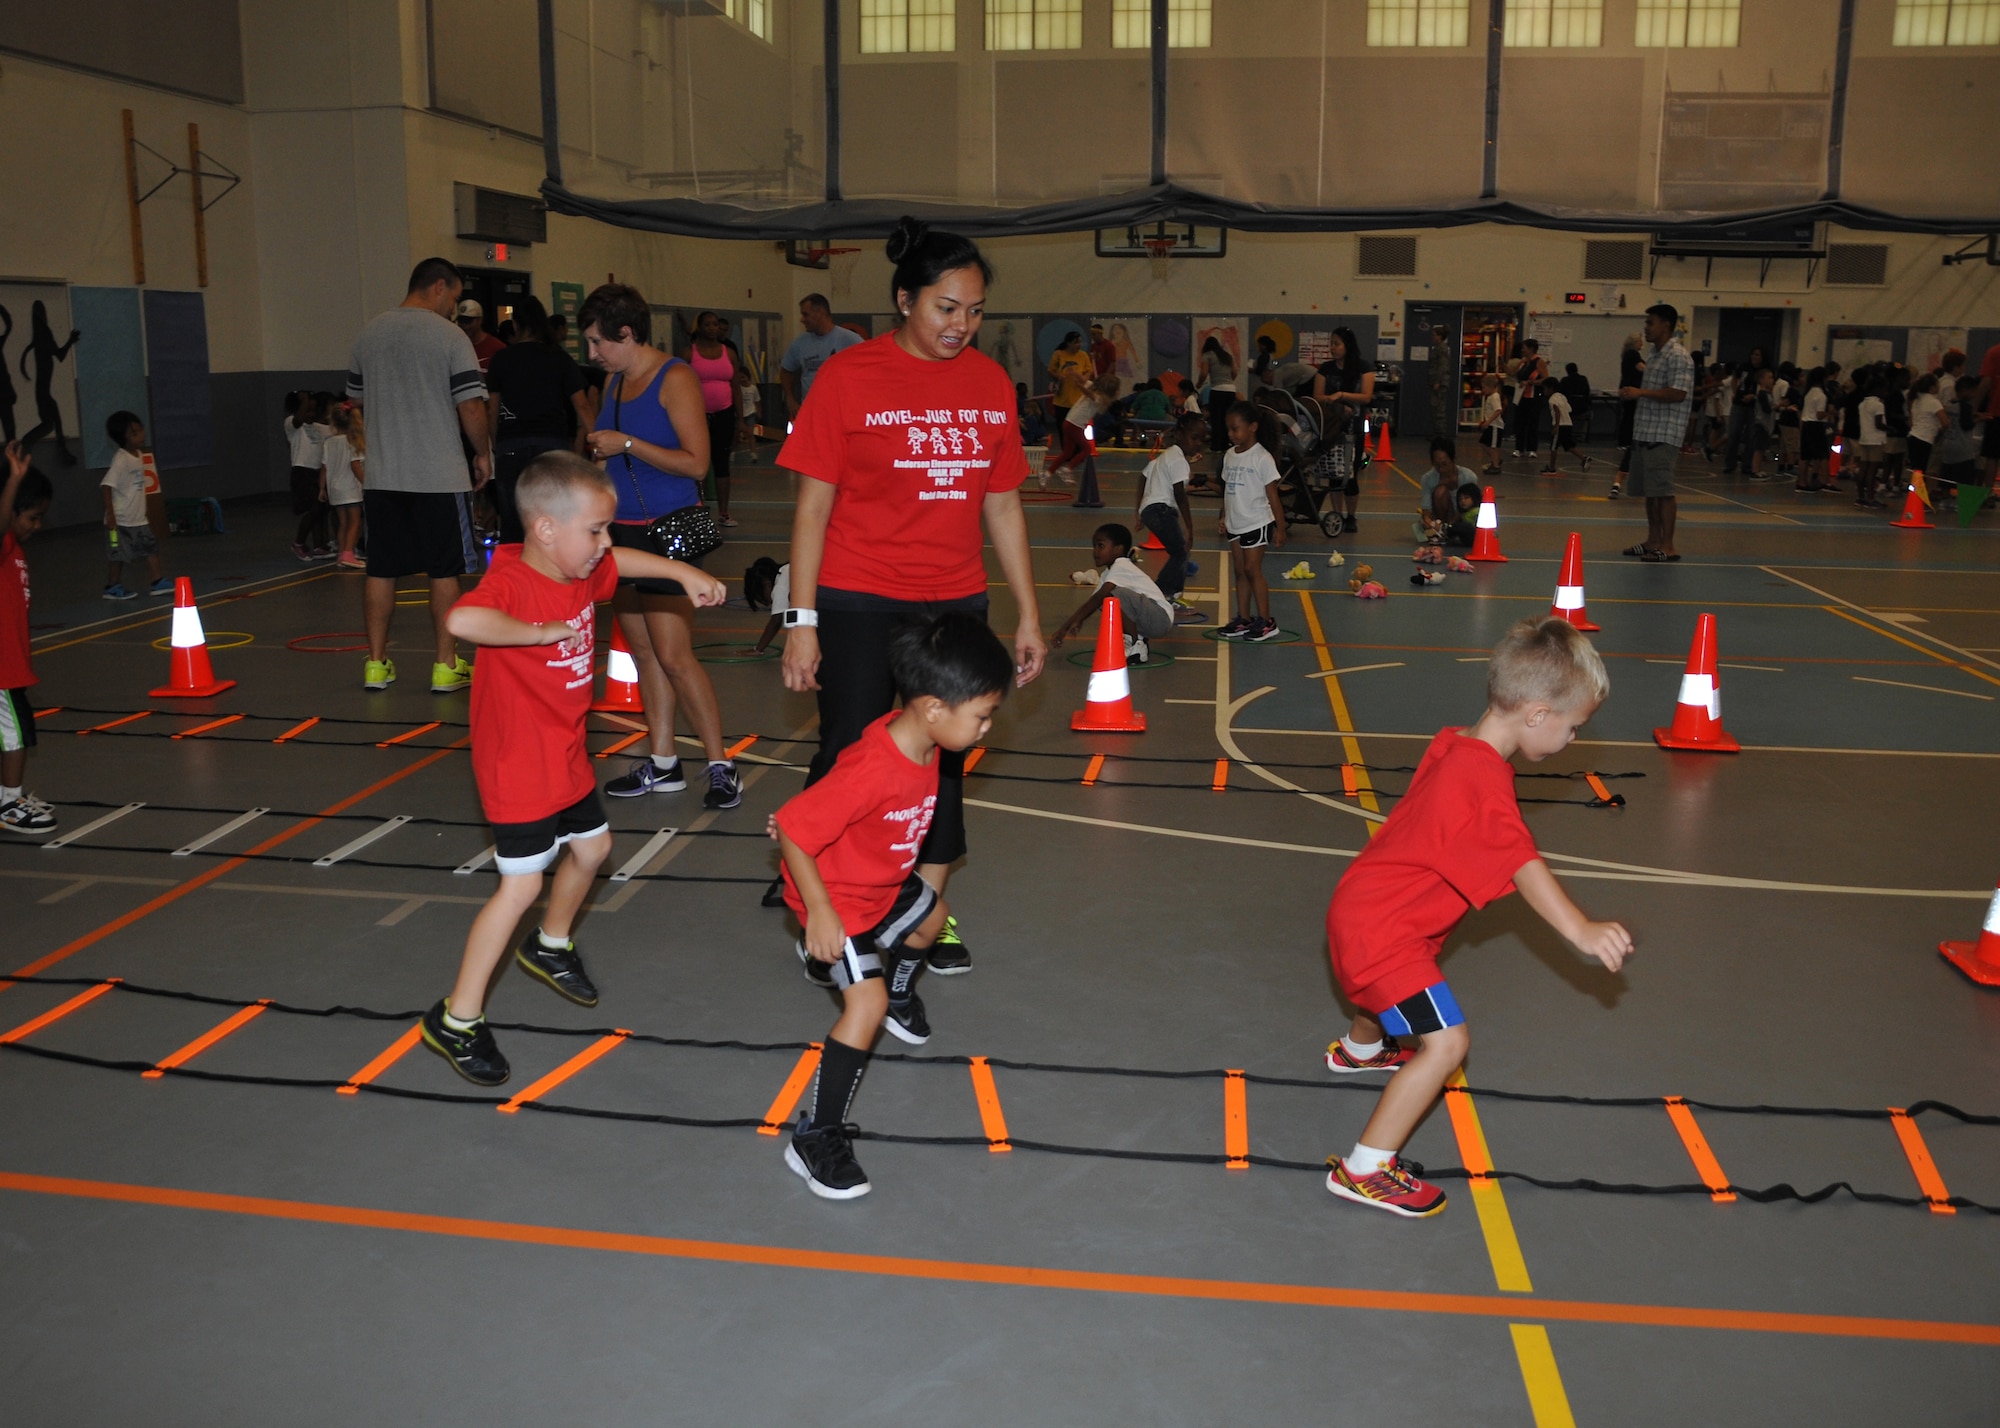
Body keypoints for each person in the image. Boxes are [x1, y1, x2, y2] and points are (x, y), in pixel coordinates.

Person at [774, 217, 1046, 973]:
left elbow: (1003, 504)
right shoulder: (849, 377)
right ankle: (821, 899)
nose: (962, 325)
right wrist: (802, 620)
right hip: (858, 596)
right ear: (904, 300)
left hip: (954, 603)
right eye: (945, 307)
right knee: (849, 750)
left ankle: (926, 910)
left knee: (943, 763)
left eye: (975, 310)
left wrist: (1026, 612)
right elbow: (812, 509)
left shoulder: (989, 384)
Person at [420, 452, 725, 1086]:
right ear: (545, 529)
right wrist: (534, 634)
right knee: (521, 887)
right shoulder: (511, 581)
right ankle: (456, 1019)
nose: (605, 544)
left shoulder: (581, 566)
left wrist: (680, 572)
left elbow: (623, 565)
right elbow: (461, 618)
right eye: (595, 531)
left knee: (594, 848)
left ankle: (550, 944)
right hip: (517, 766)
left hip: (563, 753)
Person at [1322, 617, 1632, 1217]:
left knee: (1383, 991)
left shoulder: (1456, 743)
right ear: (1537, 714)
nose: (1571, 741)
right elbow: (1521, 860)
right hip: (1384, 935)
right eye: (1573, 729)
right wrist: (1580, 929)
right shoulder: (1483, 779)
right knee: (1447, 1043)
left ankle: (1357, 1052)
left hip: (1361, 907)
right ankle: (1364, 1169)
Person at [775, 611, 1013, 1200]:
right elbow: (795, 831)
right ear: (934, 708)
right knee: (865, 1003)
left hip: (880, 881)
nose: (986, 728)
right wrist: (822, 914)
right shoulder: (875, 767)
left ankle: (899, 991)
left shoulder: (925, 740)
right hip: (841, 898)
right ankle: (815, 1136)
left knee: (933, 916)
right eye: (982, 715)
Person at [576, 284, 740, 811]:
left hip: (667, 531)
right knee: (643, 651)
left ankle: (721, 766)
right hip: (620, 533)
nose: (593, 354)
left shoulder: (676, 378)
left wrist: (628, 445)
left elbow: (696, 463)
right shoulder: (614, 381)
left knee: (675, 656)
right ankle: (664, 762)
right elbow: (604, 456)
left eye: (599, 342)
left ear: (627, 335)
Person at [346, 257, 490, 693]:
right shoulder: (450, 337)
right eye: (456, 297)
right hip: (439, 476)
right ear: (439, 287)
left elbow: (354, 405)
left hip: (384, 476)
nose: (455, 307)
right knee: (444, 571)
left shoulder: (368, 333)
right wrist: (482, 453)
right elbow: (470, 406)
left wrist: (368, 455)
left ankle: (376, 664)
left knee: (381, 571)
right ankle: (446, 666)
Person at [485, 294, 590, 546]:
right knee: (554, 518)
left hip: (511, 446)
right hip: (552, 444)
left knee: (513, 521)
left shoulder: (502, 359)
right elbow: (582, 404)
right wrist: (596, 442)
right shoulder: (559, 358)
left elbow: (492, 409)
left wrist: (493, 446)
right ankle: (552, 579)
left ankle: (514, 580)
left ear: (516, 325)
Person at [0, 444, 56, 835]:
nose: (37, 525)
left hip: (12, 666)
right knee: (15, 735)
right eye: (32, 517)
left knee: (16, 732)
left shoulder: (13, 550)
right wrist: (15, 480)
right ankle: (8, 802)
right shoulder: (3, 544)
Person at [1618, 304, 1693, 562]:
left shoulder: (1678, 356)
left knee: (1663, 491)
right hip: (1645, 432)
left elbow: (1678, 393)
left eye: (1651, 323)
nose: (1646, 328)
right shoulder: (1654, 354)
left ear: (1666, 325)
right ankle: (1653, 540)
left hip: (1664, 434)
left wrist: (1641, 393)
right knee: (1650, 491)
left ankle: (1668, 545)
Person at [1051, 523, 1175, 665]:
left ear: (1118, 549)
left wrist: (1070, 625)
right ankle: (1139, 642)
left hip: (1160, 618)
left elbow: (1099, 597)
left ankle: (1133, 645)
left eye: (1101, 546)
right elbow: (1093, 601)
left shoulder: (1122, 565)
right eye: (1094, 546)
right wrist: (1067, 627)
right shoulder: (1108, 574)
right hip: (1151, 620)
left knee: (1114, 595)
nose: (1095, 551)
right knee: (1106, 603)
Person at [1215, 401, 1285, 642]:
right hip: (1236, 522)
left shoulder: (1262, 458)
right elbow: (1227, 490)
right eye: (1229, 429)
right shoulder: (1229, 456)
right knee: (1239, 571)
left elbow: (1272, 495)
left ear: (1253, 427)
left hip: (1257, 521)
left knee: (1251, 570)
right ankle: (1244, 619)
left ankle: (1266, 621)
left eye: (1236, 429)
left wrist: (1280, 527)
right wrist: (1224, 516)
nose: (1231, 434)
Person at [686, 310, 745, 528]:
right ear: (699, 328)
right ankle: (698, 511)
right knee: (698, 464)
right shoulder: (688, 354)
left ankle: (724, 512)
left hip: (725, 413)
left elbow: (736, 388)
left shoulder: (728, 353)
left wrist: (740, 419)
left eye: (715, 325)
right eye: (708, 325)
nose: (713, 328)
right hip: (697, 415)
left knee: (721, 464)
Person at [1312, 327, 1374, 532]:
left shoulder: (1363, 368)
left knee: (1351, 472)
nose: (1333, 347)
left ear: (1348, 345)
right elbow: (1318, 396)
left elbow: (1366, 396)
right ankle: (1336, 513)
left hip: (1354, 428)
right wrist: (1335, 403)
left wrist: (1341, 395)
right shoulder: (1326, 369)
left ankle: (1351, 516)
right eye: (1331, 343)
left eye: (1337, 343)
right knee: (1334, 472)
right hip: (1331, 427)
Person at [100, 411, 167, 600]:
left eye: (140, 429)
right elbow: (106, 486)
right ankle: (112, 586)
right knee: (117, 554)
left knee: (150, 547)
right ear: (124, 438)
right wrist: (111, 515)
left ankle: (157, 581)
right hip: (120, 521)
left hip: (139, 519)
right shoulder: (121, 459)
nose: (141, 434)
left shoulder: (138, 455)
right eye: (134, 432)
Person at [1137, 412, 1201, 606]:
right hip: (1161, 510)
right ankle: (1160, 591)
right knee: (1181, 552)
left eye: (1202, 439)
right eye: (1194, 437)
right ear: (1180, 435)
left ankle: (1174, 594)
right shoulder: (1179, 459)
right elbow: (1180, 494)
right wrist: (1190, 527)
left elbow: (1143, 476)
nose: (1198, 443)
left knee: (1180, 552)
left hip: (1149, 510)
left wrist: (1138, 512)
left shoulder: (1168, 455)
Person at [780, 294, 862, 418]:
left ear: (820, 312)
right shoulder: (799, 343)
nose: (802, 319)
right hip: (811, 412)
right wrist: (790, 400)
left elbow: (870, 370)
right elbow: (785, 371)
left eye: (806, 314)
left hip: (842, 412)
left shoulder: (850, 340)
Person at [284, 391, 332, 561]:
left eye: (313, 410)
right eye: (307, 410)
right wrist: (304, 399)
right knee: (313, 509)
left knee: (321, 509)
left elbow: (337, 428)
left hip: (317, 473)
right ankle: (298, 543)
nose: (310, 414)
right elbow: (299, 417)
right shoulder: (292, 424)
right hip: (302, 471)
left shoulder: (317, 428)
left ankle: (319, 546)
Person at [1046, 374, 1116, 487]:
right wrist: (1077, 380)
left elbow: (1086, 385)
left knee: (1067, 452)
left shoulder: (1095, 392)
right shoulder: (1098, 397)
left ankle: (1048, 473)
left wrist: (1075, 376)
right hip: (1075, 424)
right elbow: (1089, 393)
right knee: (1087, 449)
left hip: (1069, 422)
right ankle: (1067, 469)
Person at [320, 402, 367, 569]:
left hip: (335, 489)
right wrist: (366, 483)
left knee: (343, 522)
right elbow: (355, 466)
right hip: (350, 489)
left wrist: (321, 488)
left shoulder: (329, 442)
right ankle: (349, 552)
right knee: (355, 521)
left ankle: (341, 553)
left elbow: (324, 467)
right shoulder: (352, 441)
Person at [1200, 334, 1239, 475]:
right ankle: (1226, 444)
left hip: (1217, 390)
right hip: (1230, 390)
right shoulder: (1227, 356)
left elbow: (1204, 373)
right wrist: (1228, 380)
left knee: (1216, 418)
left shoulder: (1207, 355)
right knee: (1227, 419)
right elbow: (1234, 372)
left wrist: (1199, 384)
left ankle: (1216, 446)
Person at [1611, 333, 1643, 498]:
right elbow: (1641, 368)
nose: (1642, 343)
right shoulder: (1633, 355)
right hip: (1633, 393)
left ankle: (1625, 440)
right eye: (1640, 340)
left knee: (1628, 416)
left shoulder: (1626, 356)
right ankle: (1627, 440)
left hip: (1627, 392)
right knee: (1632, 418)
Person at [1797, 367, 1833, 493]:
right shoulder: (1821, 395)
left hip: (1807, 424)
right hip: (1816, 426)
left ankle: (1802, 481)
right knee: (1822, 454)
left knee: (1805, 455)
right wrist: (1829, 412)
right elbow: (1819, 415)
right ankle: (1824, 480)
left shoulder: (1809, 393)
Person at [1047, 329, 1093, 428]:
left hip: (1078, 399)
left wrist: (1083, 378)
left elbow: (1089, 370)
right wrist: (1059, 376)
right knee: (1062, 427)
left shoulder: (1083, 355)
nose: (1079, 345)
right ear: (1068, 343)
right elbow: (1051, 370)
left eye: (1080, 342)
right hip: (1062, 399)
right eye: (1076, 342)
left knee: (1078, 428)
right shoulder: (1059, 354)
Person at [1855, 373, 1888, 509]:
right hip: (1875, 440)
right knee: (1872, 471)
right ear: (1878, 389)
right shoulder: (1878, 405)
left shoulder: (1862, 404)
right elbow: (1878, 423)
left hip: (1864, 438)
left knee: (1863, 469)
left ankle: (1860, 497)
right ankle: (1870, 498)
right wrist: (1890, 429)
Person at [1511, 338, 1548, 459]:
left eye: (1524, 348)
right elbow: (1513, 373)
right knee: (1519, 422)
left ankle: (1532, 448)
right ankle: (1519, 448)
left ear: (1531, 349)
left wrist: (1531, 382)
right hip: (1520, 396)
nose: (1522, 350)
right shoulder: (1522, 362)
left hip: (1533, 397)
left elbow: (1545, 379)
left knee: (1532, 423)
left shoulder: (1539, 362)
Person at [1540, 387, 1589, 474]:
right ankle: (1584, 458)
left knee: (1553, 447)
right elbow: (1569, 409)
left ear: (1550, 389)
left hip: (1561, 425)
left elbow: (1557, 411)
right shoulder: (1562, 397)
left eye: (1545, 388)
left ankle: (1551, 468)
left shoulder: (1552, 400)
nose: (1544, 391)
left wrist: (1556, 426)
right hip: (1568, 424)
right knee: (1569, 445)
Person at [1908, 372, 1946, 483]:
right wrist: (1939, 433)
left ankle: (1915, 493)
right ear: (1932, 388)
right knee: (1922, 471)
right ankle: (1920, 496)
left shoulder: (1916, 400)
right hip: (1925, 439)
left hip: (1913, 436)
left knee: (1916, 470)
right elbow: (1945, 422)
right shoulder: (1934, 402)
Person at [456, 298, 505, 373]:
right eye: (461, 321)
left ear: (480, 320)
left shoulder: (497, 348)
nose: (464, 326)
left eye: (468, 321)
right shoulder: (455, 347)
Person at [1428, 326, 1456, 434]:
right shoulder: (1437, 348)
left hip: (1439, 383)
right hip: (1435, 381)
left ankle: (1441, 434)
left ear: (1439, 336)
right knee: (1435, 409)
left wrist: (1438, 381)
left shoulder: (1442, 349)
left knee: (1439, 410)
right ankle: (1437, 433)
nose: (1432, 337)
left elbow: (1443, 366)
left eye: (1434, 335)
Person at [1476, 373, 1505, 476]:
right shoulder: (1491, 396)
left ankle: (1496, 466)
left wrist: (1488, 422)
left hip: (1495, 426)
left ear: (1491, 386)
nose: (1483, 390)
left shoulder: (1494, 397)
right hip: (1491, 425)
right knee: (1483, 443)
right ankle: (1495, 458)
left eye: (1484, 387)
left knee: (1493, 447)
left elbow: (1498, 410)